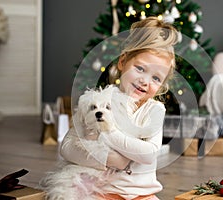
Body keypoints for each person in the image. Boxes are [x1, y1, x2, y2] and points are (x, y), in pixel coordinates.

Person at [60, 16, 178, 200]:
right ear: (122, 62)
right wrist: (108, 159)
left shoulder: (154, 110)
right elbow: (67, 147)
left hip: (141, 195)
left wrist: (109, 133)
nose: (145, 81)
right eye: (140, 69)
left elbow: (149, 154)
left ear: (162, 84)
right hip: (100, 191)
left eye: (156, 78)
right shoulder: (101, 101)